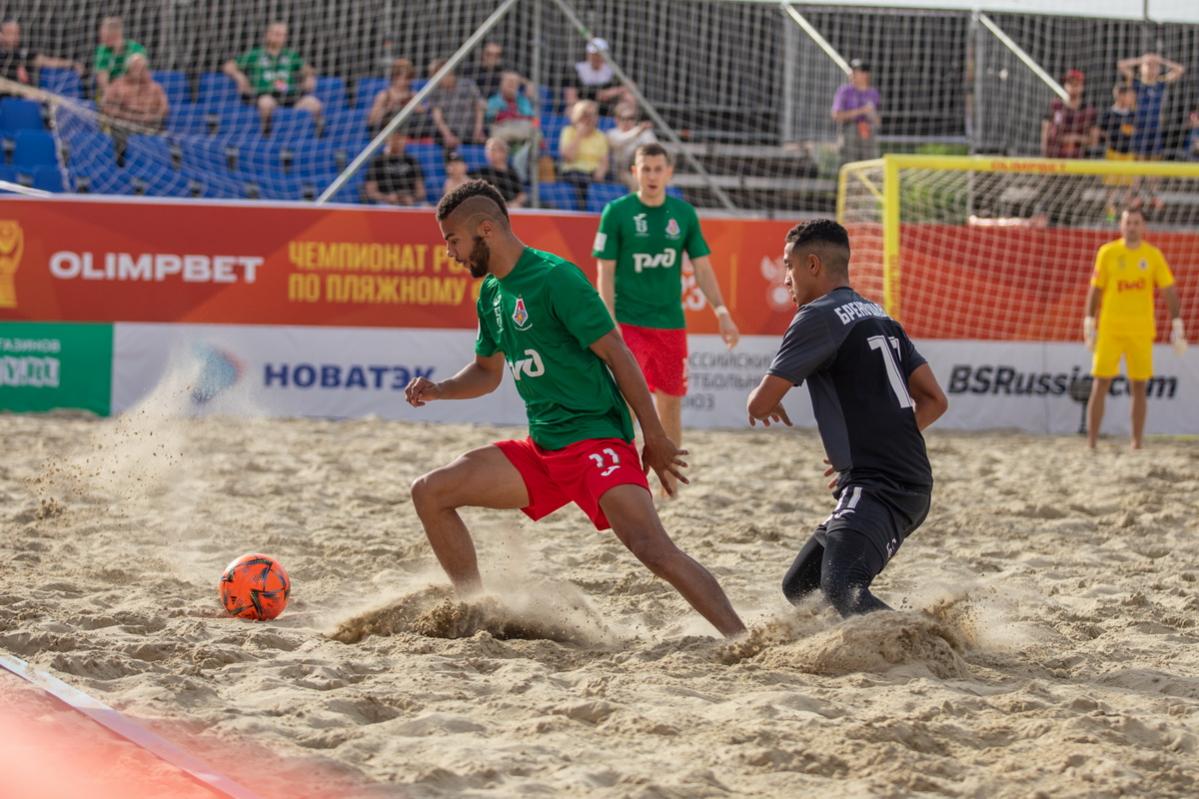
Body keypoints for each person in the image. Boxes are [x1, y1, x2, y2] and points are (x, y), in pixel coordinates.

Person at [405, 181, 745, 639]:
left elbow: (619, 355)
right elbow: (487, 372)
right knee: (429, 492)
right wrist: (440, 390)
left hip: (595, 441)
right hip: (543, 448)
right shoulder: (491, 294)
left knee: (651, 548)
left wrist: (654, 435)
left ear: (485, 230)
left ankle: (742, 639)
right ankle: (475, 610)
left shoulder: (555, 277)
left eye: (453, 240)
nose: (450, 253)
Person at [746, 219, 948, 617]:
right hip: (908, 479)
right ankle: (861, 639)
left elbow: (758, 406)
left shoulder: (816, 316)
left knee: (841, 585)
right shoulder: (879, 315)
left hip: (879, 484)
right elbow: (935, 400)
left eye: (788, 266)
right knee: (801, 585)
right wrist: (873, 445)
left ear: (813, 265)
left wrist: (764, 400)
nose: (785, 278)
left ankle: (921, 641)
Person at [594, 142, 739, 495]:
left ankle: (669, 484)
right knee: (627, 404)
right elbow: (605, 271)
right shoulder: (617, 212)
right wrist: (609, 320)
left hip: (670, 324)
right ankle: (621, 480)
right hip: (628, 323)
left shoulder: (684, 214)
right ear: (634, 172)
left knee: (670, 402)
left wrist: (721, 311)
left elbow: (702, 268)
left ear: (669, 173)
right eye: (645, 168)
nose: (652, 175)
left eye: (658, 169)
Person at [1083, 206, 1187, 450]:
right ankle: (1091, 443)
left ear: (1144, 227)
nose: (1131, 227)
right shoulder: (1107, 252)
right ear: (1121, 225)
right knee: (1100, 383)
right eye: (1128, 222)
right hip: (1110, 329)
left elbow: (1169, 290)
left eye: (1136, 222)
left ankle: (1137, 444)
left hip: (1141, 330)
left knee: (1139, 386)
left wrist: (1177, 324)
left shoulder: (1153, 255)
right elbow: (1096, 289)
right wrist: (1089, 321)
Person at [223, 21, 323, 135]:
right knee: (265, 103)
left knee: (314, 103)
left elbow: (308, 69)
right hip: (265, 94)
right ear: (268, 34)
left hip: (289, 96)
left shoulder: (291, 55)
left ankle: (318, 135)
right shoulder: (255, 54)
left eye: (283, 34)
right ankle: (267, 135)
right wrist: (239, 76)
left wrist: (309, 76)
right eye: (276, 33)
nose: (279, 37)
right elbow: (228, 66)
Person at [101, 53, 168, 166]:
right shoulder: (118, 85)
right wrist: (125, 115)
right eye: (136, 67)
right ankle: (121, 163)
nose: (139, 71)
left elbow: (164, 109)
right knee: (118, 132)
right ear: (129, 68)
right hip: (124, 124)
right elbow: (105, 106)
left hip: (149, 124)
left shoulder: (155, 87)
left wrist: (150, 117)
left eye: (142, 68)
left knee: (162, 133)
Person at [0, 18, 83, 90]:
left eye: (17, 33)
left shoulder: (22, 53)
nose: (15, 37)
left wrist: (72, 63)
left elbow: (45, 61)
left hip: (28, 97)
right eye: (10, 33)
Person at [559, 99, 609, 208]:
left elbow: (604, 161)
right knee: (581, 179)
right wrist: (579, 135)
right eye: (585, 114)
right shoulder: (568, 131)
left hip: (593, 173)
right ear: (578, 116)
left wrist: (600, 173)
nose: (589, 118)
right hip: (573, 171)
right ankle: (582, 209)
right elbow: (568, 157)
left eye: (593, 115)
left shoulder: (600, 136)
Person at [563, 38, 630, 117]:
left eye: (599, 54)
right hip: (583, 108)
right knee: (570, 109)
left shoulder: (613, 71)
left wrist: (610, 93)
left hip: (607, 107)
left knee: (629, 97)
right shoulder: (577, 70)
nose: (596, 57)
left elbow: (630, 86)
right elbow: (570, 95)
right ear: (588, 54)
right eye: (594, 54)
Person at [1098, 83, 1137, 220]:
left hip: (1128, 155)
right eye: (1130, 95)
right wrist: (1108, 136)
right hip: (1113, 154)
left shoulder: (1132, 114)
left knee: (1128, 188)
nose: (1132, 98)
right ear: (1120, 96)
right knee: (1111, 187)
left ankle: (1126, 218)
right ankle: (1110, 216)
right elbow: (1100, 131)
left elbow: (1134, 131)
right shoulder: (1109, 114)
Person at [367, 57, 432, 138]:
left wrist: (414, 107)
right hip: (388, 131)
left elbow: (422, 113)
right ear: (395, 77)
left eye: (410, 78)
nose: (408, 81)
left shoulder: (412, 94)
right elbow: (372, 120)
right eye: (406, 78)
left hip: (408, 129)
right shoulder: (384, 95)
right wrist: (388, 108)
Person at [831, 59, 881, 164]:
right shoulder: (844, 91)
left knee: (869, 165)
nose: (852, 74)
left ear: (866, 74)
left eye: (856, 71)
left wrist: (871, 114)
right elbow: (836, 115)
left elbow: (878, 122)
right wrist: (862, 111)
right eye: (852, 71)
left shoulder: (873, 93)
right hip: (849, 133)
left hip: (867, 135)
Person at [427, 59, 485, 150]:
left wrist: (478, 129)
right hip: (451, 131)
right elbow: (438, 118)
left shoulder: (468, 85)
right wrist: (448, 135)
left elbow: (479, 107)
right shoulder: (435, 92)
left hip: (471, 129)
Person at [1041, 69, 1098, 159]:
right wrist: (1045, 154)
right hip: (1056, 158)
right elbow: (1045, 133)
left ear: (1082, 87)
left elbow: (1094, 141)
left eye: (1076, 84)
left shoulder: (1090, 111)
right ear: (1065, 85)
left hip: (1079, 160)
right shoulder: (1055, 106)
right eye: (1070, 84)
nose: (1073, 87)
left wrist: (1076, 138)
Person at [364, 129, 425, 206]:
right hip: (385, 203)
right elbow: (371, 192)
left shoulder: (412, 161)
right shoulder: (377, 162)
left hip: (410, 202)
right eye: (395, 138)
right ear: (387, 140)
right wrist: (387, 198)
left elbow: (421, 191)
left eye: (401, 138)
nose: (399, 142)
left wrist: (411, 198)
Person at [606, 101, 657, 192]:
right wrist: (638, 132)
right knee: (637, 182)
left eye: (632, 118)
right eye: (624, 118)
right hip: (622, 170)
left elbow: (655, 148)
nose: (628, 121)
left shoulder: (644, 132)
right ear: (616, 119)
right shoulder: (611, 133)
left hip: (644, 167)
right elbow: (618, 144)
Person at [93, 16, 146, 100]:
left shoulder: (136, 49)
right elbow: (103, 83)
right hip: (111, 94)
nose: (101, 38)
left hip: (134, 91)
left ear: (115, 34)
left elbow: (141, 76)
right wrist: (113, 94)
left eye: (103, 35)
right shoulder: (102, 51)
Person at [470, 137, 528, 207]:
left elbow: (522, 194)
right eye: (487, 149)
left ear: (503, 152)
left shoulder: (512, 173)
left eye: (492, 149)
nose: (489, 152)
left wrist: (513, 203)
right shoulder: (483, 172)